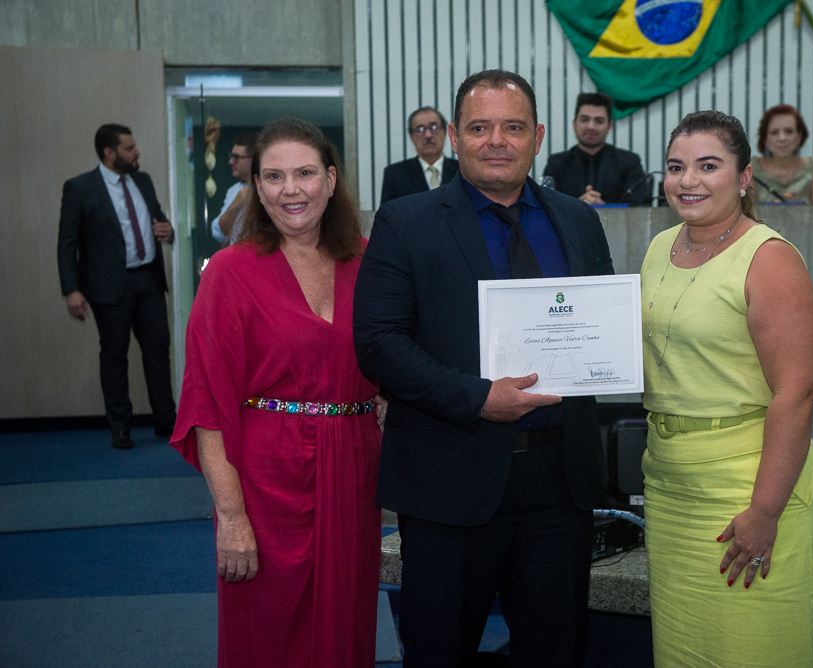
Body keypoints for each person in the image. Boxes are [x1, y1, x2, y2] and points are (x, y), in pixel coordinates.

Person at [354, 70, 614, 667]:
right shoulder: (405, 221)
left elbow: (598, 327)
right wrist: (478, 398)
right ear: (452, 136)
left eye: (513, 127)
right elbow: (379, 343)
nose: (496, 140)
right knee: (439, 651)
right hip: (449, 481)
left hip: (559, 483)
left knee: (556, 651)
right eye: (479, 127)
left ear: (539, 136)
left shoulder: (578, 220)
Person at [171, 118, 386, 667]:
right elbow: (207, 407)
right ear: (256, 187)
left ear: (332, 180)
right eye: (274, 176)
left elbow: (397, 357)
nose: (291, 189)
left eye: (305, 173)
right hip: (264, 478)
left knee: (347, 622)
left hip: (354, 470)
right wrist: (231, 515)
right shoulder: (229, 272)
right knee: (265, 631)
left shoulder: (370, 261)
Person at [641, 110, 813, 666]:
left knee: (756, 651)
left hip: (745, 493)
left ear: (745, 177)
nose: (687, 180)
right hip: (670, 488)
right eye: (676, 167)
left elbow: (798, 392)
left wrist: (765, 510)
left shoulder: (768, 258)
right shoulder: (660, 247)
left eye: (708, 166)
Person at [57, 124, 177, 450]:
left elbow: (159, 222)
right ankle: (120, 427)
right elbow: (67, 243)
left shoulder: (144, 180)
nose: (136, 152)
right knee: (114, 355)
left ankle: (167, 421)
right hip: (109, 285)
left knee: (157, 350)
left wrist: (169, 231)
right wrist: (72, 289)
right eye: (128, 148)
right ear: (109, 153)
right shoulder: (81, 188)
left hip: (149, 280)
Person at [543, 92, 648, 205]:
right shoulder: (556, 163)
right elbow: (546, 204)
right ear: (574, 124)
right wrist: (578, 206)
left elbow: (640, 206)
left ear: (609, 126)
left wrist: (604, 207)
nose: (591, 126)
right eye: (584, 119)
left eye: (599, 121)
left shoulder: (629, 162)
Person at [379, 106, 459, 205]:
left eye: (434, 127)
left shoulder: (462, 170)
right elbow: (387, 217)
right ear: (411, 137)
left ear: (445, 132)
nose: (428, 135)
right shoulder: (395, 175)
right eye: (420, 129)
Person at [752, 104, 813, 204]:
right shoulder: (750, 170)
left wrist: (795, 211)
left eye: (789, 131)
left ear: (799, 136)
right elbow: (744, 214)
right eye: (774, 132)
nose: (782, 138)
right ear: (765, 139)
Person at [210, 132, 257, 245]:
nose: (230, 161)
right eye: (231, 156)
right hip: (239, 259)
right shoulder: (233, 191)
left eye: (236, 157)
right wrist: (236, 204)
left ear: (253, 160)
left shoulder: (270, 189)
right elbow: (219, 233)